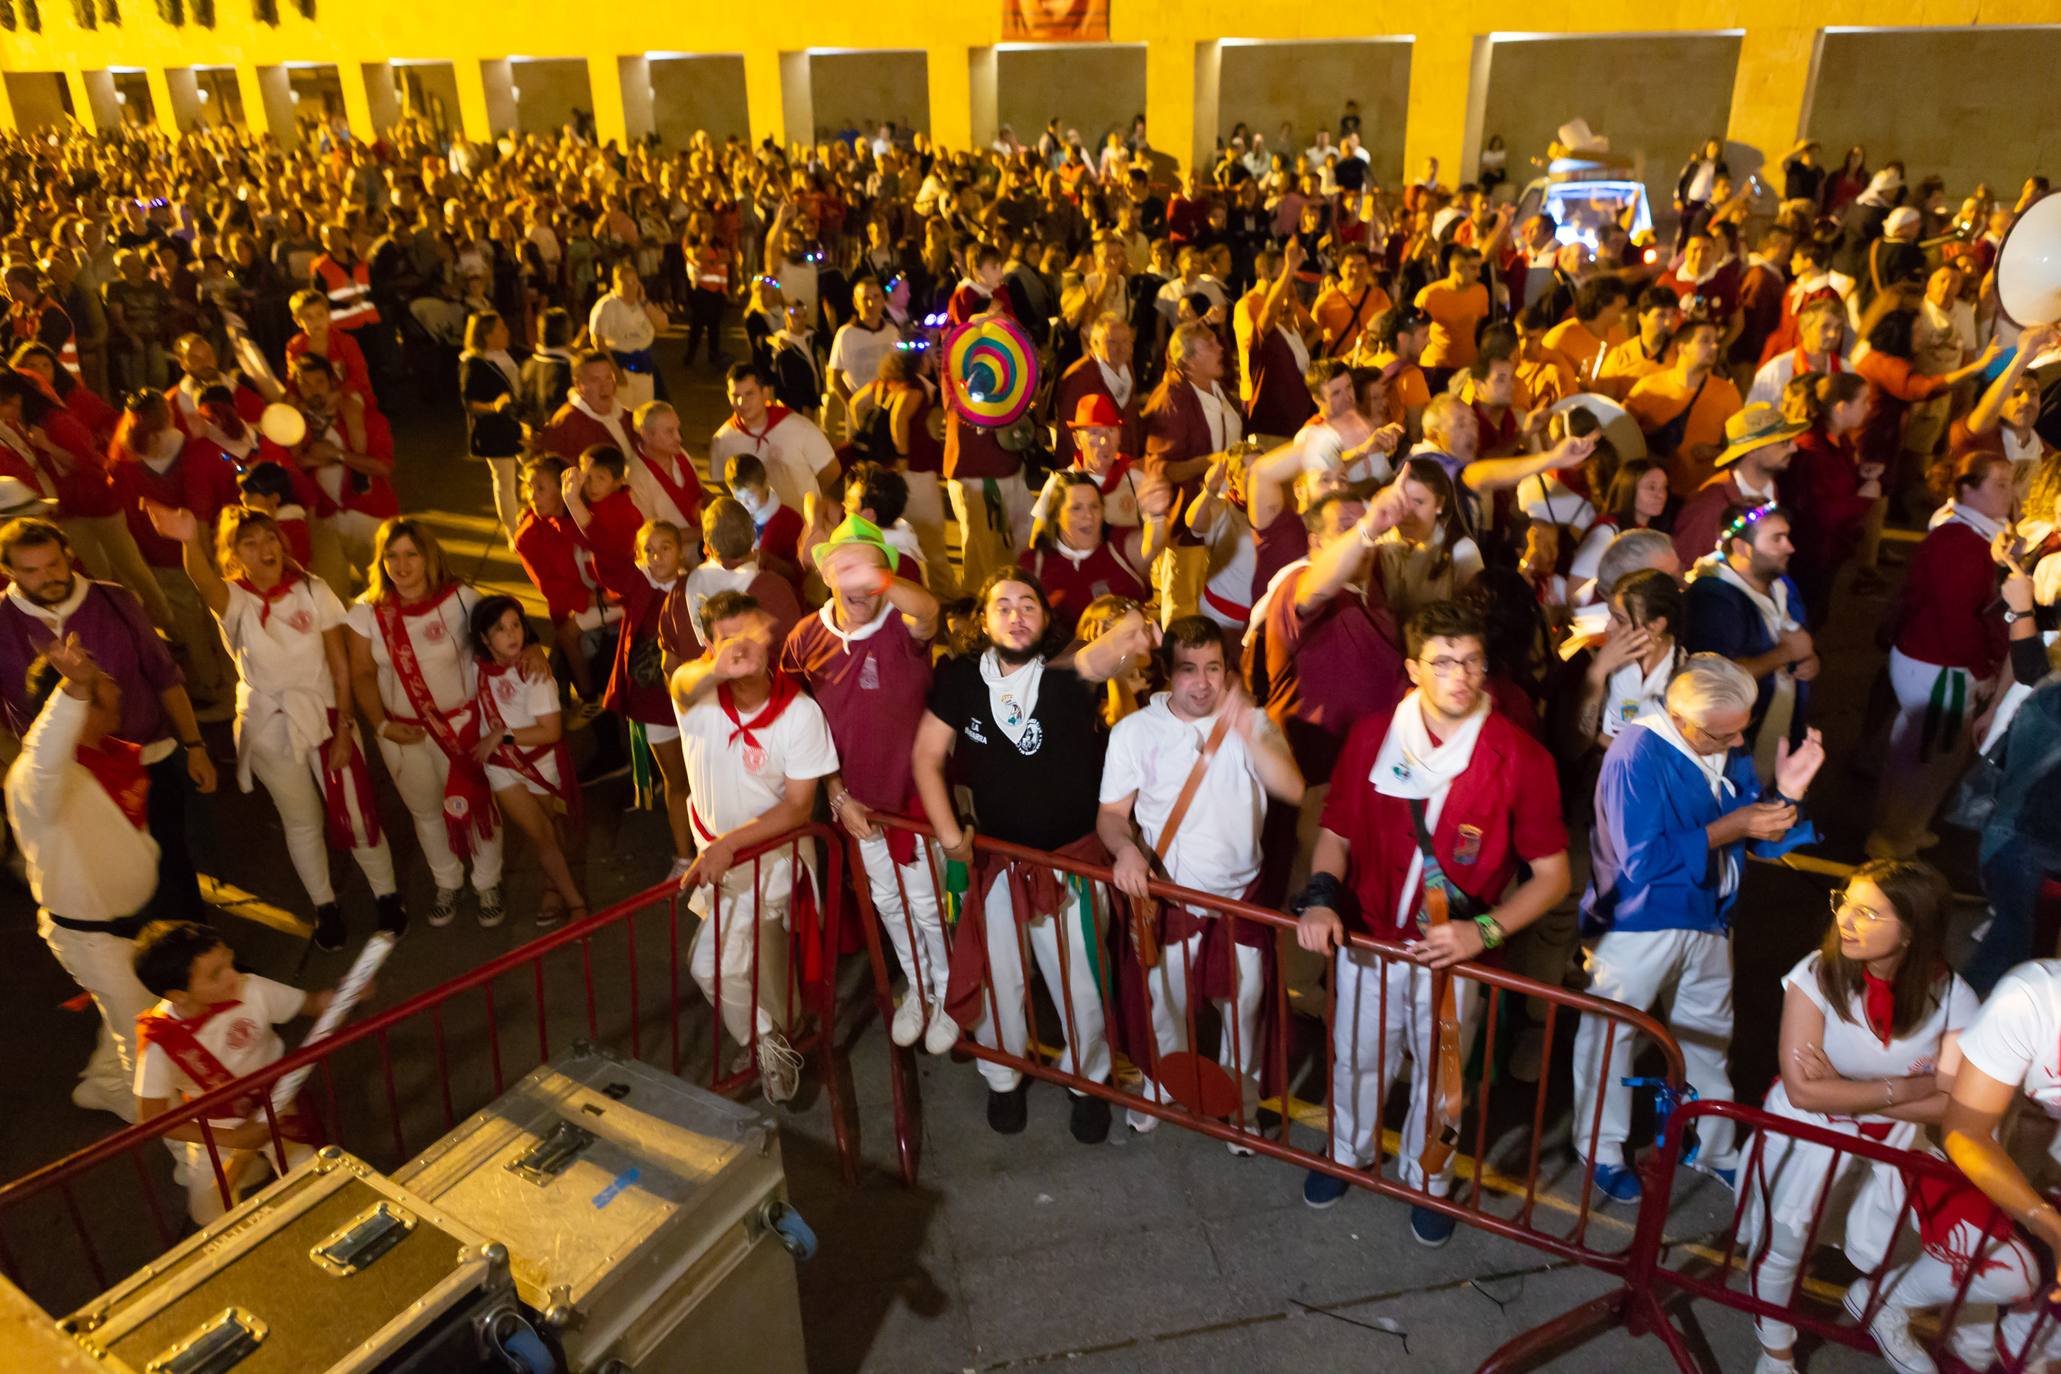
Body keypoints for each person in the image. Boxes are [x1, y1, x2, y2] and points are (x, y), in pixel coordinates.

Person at [1292, 600, 1570, 1245]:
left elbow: (1552, 876)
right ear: (1414, 669)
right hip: (1369, 941)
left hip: (1456, 955)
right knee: (1358, 1059)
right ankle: (1347, 1153)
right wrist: (1323, 894)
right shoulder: (1371, 737)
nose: (1460, 676)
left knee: (1446, 1082)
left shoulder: (1520, 758)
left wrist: (1487, 932)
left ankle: (1431, 1179)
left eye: (1471, 661)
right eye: (1443, 662)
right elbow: (1336, 826)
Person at [910, 571, 1159, 1142]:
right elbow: (927, 757)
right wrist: (951, 838)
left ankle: (1087, 1081)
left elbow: (1118, 640)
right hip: (997, 862)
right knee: (1000, 981)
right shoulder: (960, 680)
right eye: (1003, 606)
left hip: (1072, 865)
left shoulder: (1067, 677)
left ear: (1046, 623)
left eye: (1029, 605)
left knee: (1083, 988)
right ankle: (1002, 1080)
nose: (1017, 614)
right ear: (983, 620)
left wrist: (1138, 621)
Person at [1573, 655, 1824, 1202]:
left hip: (1711, 915)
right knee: (1611, 1038)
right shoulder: (1635, 753)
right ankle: (1602, 1147)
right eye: (1726, 734)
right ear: (1683, 721)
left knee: (1708, 1039)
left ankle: (1712, 1148)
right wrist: (1732, 825)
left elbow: (1756, 836)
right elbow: (1642, 860)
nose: (1738, 745)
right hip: (1639, 923)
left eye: (1744, 730)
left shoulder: (1719, 742)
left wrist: (1788, 797)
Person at [1743, 860, 1981, 1374]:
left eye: (1869, 912)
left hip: (1887, 1143)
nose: (1846, 921)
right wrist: (1905, 1087)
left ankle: (1878, 1307)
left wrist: (1846, 1090)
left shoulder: (1954, 997)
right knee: (1786, 1246)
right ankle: (1775, 1350)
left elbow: (1954, 1103)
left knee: (1900, 1247)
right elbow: (1805, 1093)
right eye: (1845, 902)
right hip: (1808, 1137)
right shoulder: (1817, 972)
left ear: (1913, 931)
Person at [149, 503, 398, 950]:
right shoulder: (234, 599)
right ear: (234, 554)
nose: (264, 548)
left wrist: (344, 728)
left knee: (357, 813)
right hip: (270, 727)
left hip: (325, 716)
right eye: (249, 542)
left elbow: (340, 666)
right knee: (300, 822)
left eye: (269, 538)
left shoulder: (312, 590)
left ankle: (387, 895)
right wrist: (189, 541)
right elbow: (202, 582)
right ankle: (325, 907)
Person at [1099, 616, 1304, 1140]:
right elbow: (1112, 814)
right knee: (1164, 1004)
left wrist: (1244, 725)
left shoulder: (1253, 723)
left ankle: (1241, 1108)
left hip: (1243, 901)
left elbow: (1293, 788)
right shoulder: (1135, 732)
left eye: (1214, 667)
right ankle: (1162, 1087)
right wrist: (1124, 852)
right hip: (1172, 900)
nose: (1203, 682)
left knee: (1245, 1011)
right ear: (1168, 671)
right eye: (1189, 669)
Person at [783, 516, 955, 1054]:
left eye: (872, 571)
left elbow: (930, 611)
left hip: (914, 798)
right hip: (856, 804)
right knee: (888, 903)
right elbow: (802, 725)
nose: (857, 585)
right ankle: (920, 990)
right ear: (827, 576)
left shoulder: (902, 624)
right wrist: (834, 792)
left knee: (928, 904)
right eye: (845, 570)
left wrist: (873, 577)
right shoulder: (805, 637)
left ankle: (951, 994)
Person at [668, 589, 840, 1106]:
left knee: (717, 964)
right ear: (707, 649)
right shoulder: (696, 694)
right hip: (718, 860)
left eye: (749, 635)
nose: (741, 650)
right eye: (726, 641)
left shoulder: (800, 713)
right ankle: (768, 1040)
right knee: (739, 963)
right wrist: (717, 669)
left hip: (773, 856)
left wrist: (729, 847)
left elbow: (796, 807)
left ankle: (769, 1042)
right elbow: (681, 680)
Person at [0, 517, 213, 922]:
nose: (48, 578)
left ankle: (196, 948)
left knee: (175, 861)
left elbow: (164, 676)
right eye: (31, 570)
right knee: (109, 883)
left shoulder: (113, 601)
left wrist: (196, 746)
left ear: (68, 555)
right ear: (9, 572)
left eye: (54, 564)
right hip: (74, 788)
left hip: (149, 760)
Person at [4, 633, 163, 1121]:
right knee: (146, 1034)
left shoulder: (110, 758)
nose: (119, 687)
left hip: (125, 926)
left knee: (129, 1009)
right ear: (82, 705)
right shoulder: (40, 781)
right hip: (93, 939)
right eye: (107, 684)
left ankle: (100, 1083)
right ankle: (174, 1136)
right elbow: (45, 757)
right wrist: (72, 690)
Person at [345, 519, 509, 930]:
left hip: (462, 727)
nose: (401, 566)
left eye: (411, 555)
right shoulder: (366, 611)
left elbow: (505, 640)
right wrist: (381, 725)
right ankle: (447, 881)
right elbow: (362, 673)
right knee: (427, 811)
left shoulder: (462, 600)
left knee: (475, 808)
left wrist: (535, 656)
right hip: (403, 733)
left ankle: (487, 882)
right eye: (392, 556)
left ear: (429, 557)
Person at [131, 920, 337, 1223]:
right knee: (209, 1216)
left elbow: (309, 1003)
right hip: (220, 1127)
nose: (233, 974)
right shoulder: (161, 1042)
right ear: (178, 995)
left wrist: (338, 997)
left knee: (319, 1189)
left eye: (228, 960)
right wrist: (237, 1140)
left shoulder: (251, 988)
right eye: (216, 974)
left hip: (280, 1105)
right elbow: (154, 1118)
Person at [1868, 451, 2014, 861]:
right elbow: (1957, 620)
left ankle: (1906, 828)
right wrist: (1983, 668)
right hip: (1941, 666)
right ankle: (1892, 838)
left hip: (1939, 662)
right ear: (1967, 489)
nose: (2010, 492)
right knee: (1926, 757)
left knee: (1928, 753)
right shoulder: (1960, 544)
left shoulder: (1975, 536)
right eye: (2000, 484)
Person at [468, 597, 586, 926]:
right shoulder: (475, 669)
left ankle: (552, 889)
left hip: (539, 762)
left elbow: (549, 732)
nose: (512, 635)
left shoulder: (535, 672)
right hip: (503, 768)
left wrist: (500, 736)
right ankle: (576, 903)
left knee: (549, 829)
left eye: (516, 625)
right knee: (542, 833)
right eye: (500, 629)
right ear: (484, 638)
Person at [1684, 504, 1816, 783]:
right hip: (1738, 749)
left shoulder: (1782, 585)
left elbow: (1801, 638)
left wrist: (1811, 660)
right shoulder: (1714, 598)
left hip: (1781, 726)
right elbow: (1714, 675)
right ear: (1743, 547)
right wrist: (1787, 653)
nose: (1790, 547)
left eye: (1787, 537)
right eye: (1776, 539)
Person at [1143, 321, 1245, 621]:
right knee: (1184, 606)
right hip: (1187, 523)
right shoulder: (1171, 399)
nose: (1220, 349)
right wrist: (1213, 460)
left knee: (1217, 599)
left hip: (1226, 517)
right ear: (1187, 360)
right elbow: (1163, 470)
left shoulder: (1217, 388)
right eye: (1210, 344)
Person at [1779, 371, 1880, 628]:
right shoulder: (1813, 450)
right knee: (1807, 612)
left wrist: (1859, 476)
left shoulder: (1838, 439)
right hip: (1811, 553)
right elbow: (1822, 512)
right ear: (1841, 407)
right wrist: (1863, 499)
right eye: (1864, 401)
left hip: (1829, 550)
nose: (1869, 407)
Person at [1670, 403, 1805, 567]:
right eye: (1784, 442)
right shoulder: (1708, 505)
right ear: (1752, 450)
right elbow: (1685, 567)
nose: (1794, 448)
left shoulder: (1771, 488)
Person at [1626, 316, 1743, 497]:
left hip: (1701, 496)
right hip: (1652, 493)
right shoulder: (1648, 388)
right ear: (1682, 347)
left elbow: (1741, 446)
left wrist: (1716, 452)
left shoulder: (1728, 393)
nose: (1715, 347)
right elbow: (1621, 433)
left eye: (1716, 341)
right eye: (1705, 341)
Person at [710, 363, 839, 518]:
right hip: (758, 532)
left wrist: (811, 495)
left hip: (802, 522)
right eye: (735, 396)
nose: (741, 403)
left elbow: (831, 469)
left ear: (765, 393)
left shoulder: (798, 427)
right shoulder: (723, 440)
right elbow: (722, 481)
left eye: (750, 394)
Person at [1376, 456, 1483, 624]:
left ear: (1439, 503)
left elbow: (1473, 614)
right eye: (1402, 499)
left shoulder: (1461, 551)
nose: (1407, 510)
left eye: (1418, 502)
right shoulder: (1381, 542)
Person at [1234, 242, 1318, 440]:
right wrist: (1289, 270)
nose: (1286, 303)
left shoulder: (1294, 333)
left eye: (1292, 297)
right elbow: (1264, 325)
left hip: (1296, 420)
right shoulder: (1257, 319)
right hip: (1269, 417)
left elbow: (1316, 330)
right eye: (1281, 298)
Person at [458, 312, 525, 538]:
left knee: (530, 470)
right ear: (486, 336)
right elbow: (469, 402)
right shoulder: (474, 363)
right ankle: (513, 533)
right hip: (494, 430)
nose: (507, 332)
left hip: (514, 424)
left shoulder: (504, 355)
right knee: (505, 480)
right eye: (501, 329)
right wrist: (494, 406)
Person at [1054, 314, 1139, 470]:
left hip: (1122, 466)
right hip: (1090, 471)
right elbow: (1069, 433)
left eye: (1126, 341)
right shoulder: (1078, 378)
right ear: (1094, 344)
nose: (1121, 349)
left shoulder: (1128, 368)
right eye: (1112, 342)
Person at [1570, 459, 1673, 584]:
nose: (1661, 495)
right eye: (1652, 487)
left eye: (1664, 487)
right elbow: (1575, 589)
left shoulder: (1648, 532)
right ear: (1628, 488)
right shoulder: (1606, 533)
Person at [536, 350, 639, 465]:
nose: (604, 386)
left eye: (608, 377)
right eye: (595, 380)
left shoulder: (627, 417)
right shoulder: (566, 427)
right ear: (578, 385)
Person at [588, 263, 664, 410]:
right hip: (621, 367)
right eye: (626, 282)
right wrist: (615, 372)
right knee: (623, 413)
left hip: (645, 366)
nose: (631, 286)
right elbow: (598, 342)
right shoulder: (606, 306)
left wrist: (645, 302)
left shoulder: (642, 304)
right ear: (616, 283)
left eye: (635, 282)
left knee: (645, 412)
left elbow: (662, 325)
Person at [1414, 244, 1491, 382]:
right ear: (1457, 268)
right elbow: (1414, 331)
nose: (1479, 274)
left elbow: (1478, 326)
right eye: (1473, 268)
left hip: (1467, 367)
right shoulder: (1429, 295)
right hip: (1434, 367)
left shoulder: (1481, 292)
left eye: (1480, 268)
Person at [626, 399, 705, 532]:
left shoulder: (681, 454)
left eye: (678, 429)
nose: (678, 438)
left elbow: (700, 494)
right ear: (646, 435)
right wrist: (703, 532)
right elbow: (648, 534)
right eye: (669, 432)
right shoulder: (635, 475)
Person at [517, 307, 577, 430]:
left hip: (533, 440)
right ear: (568, 333)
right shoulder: (573, 369)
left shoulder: (527, 365)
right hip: (562, 438)